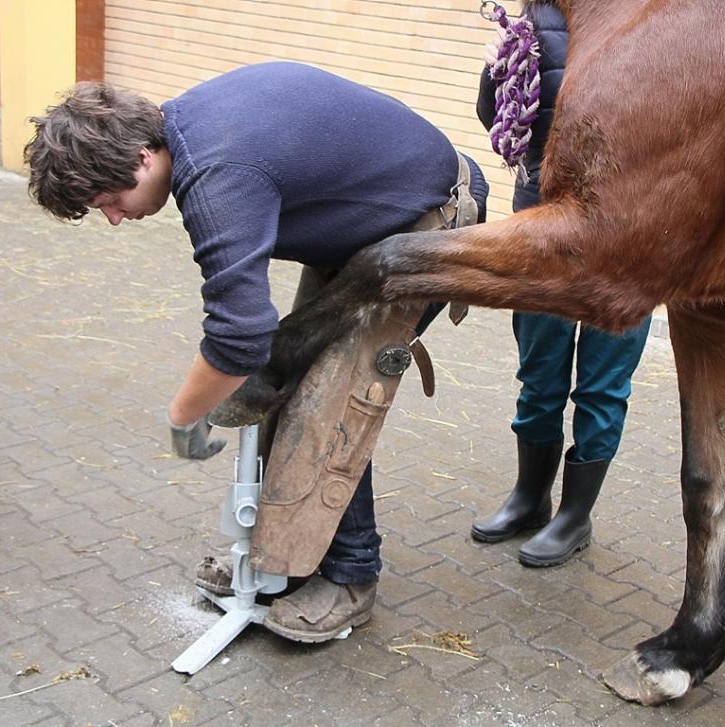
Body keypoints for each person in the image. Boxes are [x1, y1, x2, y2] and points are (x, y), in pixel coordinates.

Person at [25, 62, 487, 642]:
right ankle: (285, 557)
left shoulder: (216, 170)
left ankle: (349, 578)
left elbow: (238, 333)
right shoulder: (188, 130)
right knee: (275, 384)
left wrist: (183, 415)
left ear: (142, 157)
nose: (115, 218)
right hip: (366, 237)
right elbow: (245, 337)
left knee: (332, 401)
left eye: (110, 200)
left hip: (428, 228)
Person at [472, 1, 650, 566]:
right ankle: (530, 497)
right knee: (539, 371)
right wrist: (497, 69)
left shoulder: (654, 17)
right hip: (544, 224)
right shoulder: (535, 18)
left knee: (603, 383)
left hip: (631, 234)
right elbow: (497, 116)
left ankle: (575, 517)